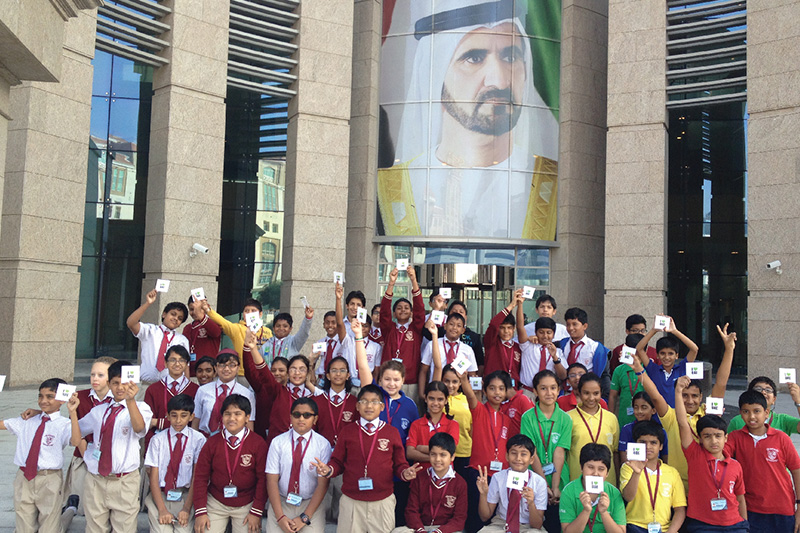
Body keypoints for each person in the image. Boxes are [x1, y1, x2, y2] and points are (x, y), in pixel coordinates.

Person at [377, 0, 559, 240]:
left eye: (510, 56)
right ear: (436, 77)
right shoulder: (393, 187)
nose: (499, 80)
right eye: (474, 58)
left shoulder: (554, 183)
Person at [311, 384, 423, 533]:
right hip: (352, 501)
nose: (369, 406)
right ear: (357, 406)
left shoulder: (391, 433)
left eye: (374, 402)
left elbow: (399, 464)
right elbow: (337, 461)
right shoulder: (347, 431)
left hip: (382, 502)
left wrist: (405, 473)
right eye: (364, 401)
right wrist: (329, 469)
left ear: (382, 407)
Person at [72, 360, 153, 533]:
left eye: (125, 383)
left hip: (124, 481)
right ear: (109, 384)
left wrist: (130, 401)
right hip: (96, 479)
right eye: (115, 383)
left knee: (124, 528)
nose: (120, 388)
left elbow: (139, 429)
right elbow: (75, 435)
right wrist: (72, 412)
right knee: (94, 527)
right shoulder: (99, 411)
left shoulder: (141, 408)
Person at [674, 376, 748, 533]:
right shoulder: (694, 454)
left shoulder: (735, 465)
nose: (713, 441)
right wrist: (678, 391)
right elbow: (682, 423)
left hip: (735, 525)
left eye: (718, 436)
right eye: (707, 436)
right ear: (700, 439)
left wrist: (744, 523)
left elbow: (740, 498)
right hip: (702, 524)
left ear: (726, 438)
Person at [1, 378, 74, 533]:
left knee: (50, 527)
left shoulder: (64, 425)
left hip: (49, 478)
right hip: (24, 477)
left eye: (49, 396)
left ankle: (70, 511)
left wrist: (72, 411)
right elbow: (3, 424)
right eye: (40, 396)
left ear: (62, 399)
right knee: (24, 526)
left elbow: (75, 440)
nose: (43, 401)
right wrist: (40, 412)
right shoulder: (27, 420)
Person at [723, 390, 800, 533]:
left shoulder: (781, 438)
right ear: (740, 413)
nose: (751, 416)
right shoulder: (734, 437)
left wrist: (799, 505)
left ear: (766, 413)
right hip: (750, 509)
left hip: (782, 509)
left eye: (756, 411)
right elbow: (718, 455)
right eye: (746, 411)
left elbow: (797, 470)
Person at [192, 394, 267, 533]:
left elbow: (263, 480)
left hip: (246, 503)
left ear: (247, 417)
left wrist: (256, 511)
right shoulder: (212, 442)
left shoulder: (258, 443)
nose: (232, 418)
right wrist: (200, 511)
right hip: (216, 502)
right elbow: (201, 477)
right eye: (227, 414)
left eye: (237, 414)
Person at [58, 356, 116, 525]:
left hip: (110, 459)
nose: (95, 379)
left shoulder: (119, 399)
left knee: (104, 505)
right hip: (83, 456)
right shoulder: (80, 397)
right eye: (92, 374)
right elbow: (75, 429)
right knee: (83, 506)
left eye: (100, 375)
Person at [265, 397, 331, 533]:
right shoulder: (277, 442)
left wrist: (305, 517)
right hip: (282, 502)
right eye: (297, 414)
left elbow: (323, 485)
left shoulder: (323, 444)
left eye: (307, 415)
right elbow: (271, 481)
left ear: (315, 419)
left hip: (311, 504)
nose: (301, 419)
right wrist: (280, 517)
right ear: (290, 417)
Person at [242, 330, 316, 450]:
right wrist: (253, 348)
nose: (297, 373)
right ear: (288, 372)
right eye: (293, 369)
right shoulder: (278, 391)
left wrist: (312, 362)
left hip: (305, 448)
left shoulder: (313, 396)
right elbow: (264, 373)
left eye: (302, 369)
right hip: (277, 447)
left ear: (307, 373)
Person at [143, 394, 206, 533]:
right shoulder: (157, 440)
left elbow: (197, 477)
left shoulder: (199, 440)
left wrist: (186, 509)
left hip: (186, 496)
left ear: (191, 417)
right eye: (174, 415)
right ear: (167, 416)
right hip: (161, 496)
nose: (178, 420)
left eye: (183, 416)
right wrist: (162, 510)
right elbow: (153, 476)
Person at [460, 369, 513, 532]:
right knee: (477, 518)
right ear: (484, 390)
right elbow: (470, 396)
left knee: (497, 518)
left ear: (506, 391)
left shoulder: (507, 419)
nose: (497, 392)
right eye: (492, 388)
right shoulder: (479, 410)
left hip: (501, 475)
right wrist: (464, 380)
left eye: (501, 388)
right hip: (479, 473)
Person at [520, 369, 572, 533]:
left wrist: (555, 487)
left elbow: (559, 452)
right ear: (535, 391)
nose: (549, 393)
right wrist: (544, 486)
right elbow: (531, 452)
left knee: (556, 524)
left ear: (559, 390)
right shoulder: (527, 417)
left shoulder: (565, 418)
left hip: (559, 479)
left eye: (553, 388)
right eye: (543, 388)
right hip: (534, 478)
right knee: (535, 524)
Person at [311, 355, 357, 524]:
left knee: (340, 496)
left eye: (342, 370)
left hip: (344, 459)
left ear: (348, 375)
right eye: (334, 370)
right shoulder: (316, 401)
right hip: (320, 457)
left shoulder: (355, 403)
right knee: (320, 496)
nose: (338, 374)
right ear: (328, 375)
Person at [392, 432, 468, 533]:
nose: (437, 459)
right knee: (397, 531)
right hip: (421, 527)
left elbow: (459, 519)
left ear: (452, 457)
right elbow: (411, 511)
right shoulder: (420, 478)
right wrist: (420, 530)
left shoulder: (460, 483)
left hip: (446, 529)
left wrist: (439, 531)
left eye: (443, 455)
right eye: (433, 454)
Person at [619, 420, 686, 533]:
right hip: (635, 526)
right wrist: (636, 473)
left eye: (653, 442)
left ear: (661, 446)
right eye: (642, 442)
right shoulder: (628, 467)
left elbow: (680, 510)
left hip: (664, 529)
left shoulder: (672, 472)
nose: (647, 446)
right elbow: (628, 497)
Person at [476, 434, 548, 533]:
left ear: (531, 459)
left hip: (528, 526)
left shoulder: (539, 482)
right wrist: (483, 494)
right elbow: (485, 517)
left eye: (523, 454)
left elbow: (537, 525)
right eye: (514, 453)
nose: (518, 458)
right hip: (501, 523)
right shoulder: (498, 478)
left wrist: (531, 503)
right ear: (507, 456)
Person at [380, 265, 426, 401]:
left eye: (406, 308)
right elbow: (384, 312)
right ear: (394, 313)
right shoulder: (389, 329)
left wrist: (414, 280)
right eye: (399, 308)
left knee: (410, 411)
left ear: (411, 313)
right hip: (389, 380)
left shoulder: (416, 329)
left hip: (410, 381)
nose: (403, 310)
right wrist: (391, 283)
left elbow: (420, 310)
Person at [126, 290, 190, 383]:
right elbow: (131, 323)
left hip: (171, 385)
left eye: (180, 318)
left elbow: (186, 365)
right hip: (147, 383)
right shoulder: (150, 330)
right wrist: (148, 303)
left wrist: (186, 386)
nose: (176, 318)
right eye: (173, 314)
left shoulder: (182, 340)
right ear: (164, 314)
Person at [559, 444, 626, 533]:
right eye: (590, 467)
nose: (595, 473)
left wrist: (604, 512)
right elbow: (567, 531)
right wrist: (586, 511)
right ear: (581, 468)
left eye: (601, 469)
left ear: (607, 473)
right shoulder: (568, 491)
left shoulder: (614, 493)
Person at [566, 373, 620, 484]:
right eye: (586, 393)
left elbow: (615, 452)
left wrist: (618, 480)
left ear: (601, 393)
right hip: (577, 480)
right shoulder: (568, 418)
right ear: (579, 393)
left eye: (596, 393)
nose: (591, 398)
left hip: (607, 482)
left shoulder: (611, 418)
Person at [635, 316, 698, 407]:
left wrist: (674, 331)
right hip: (656, 414)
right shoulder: (653, 369)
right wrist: (654, 330)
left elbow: (694, 349)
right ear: (657, 355)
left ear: (677, 356)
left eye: (671, 354)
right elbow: (639, 349)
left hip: (678, 414)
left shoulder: (682, 368)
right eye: (662, 353)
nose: (666, 357)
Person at [144, 345, 199, 450]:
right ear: (165, 363)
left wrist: (158, 422)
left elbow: (193, 421)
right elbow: (149, 423)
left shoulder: (195, 389)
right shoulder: (153, 389)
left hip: (186, 443)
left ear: (186, 364)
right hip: (159, 443)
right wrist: (148, 449)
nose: (177, 364)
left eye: (181, 360)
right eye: (173, 360)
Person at [201, 298, 272, 377]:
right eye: (246, 311)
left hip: (264, 373)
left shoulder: (267, 331)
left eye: (253, 311)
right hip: (244, 374)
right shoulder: (237, 329)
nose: (249, 313)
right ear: (243, 314)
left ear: (260, 314)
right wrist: (207, 310)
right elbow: (223, 322)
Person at [192, 351, 255, 436]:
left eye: (232, 365)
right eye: (222, 365)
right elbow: (196, 419)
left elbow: (249, 424)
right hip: (205, 438)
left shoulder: (246, 393)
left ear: (238, 368)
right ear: (216, 367)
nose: (226, 369)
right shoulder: (203, 390)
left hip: (233, 439)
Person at [334, 283, 381, 388]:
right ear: (347, 305)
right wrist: (338, 299)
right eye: (352, 304)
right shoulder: (347, 336)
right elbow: (339, 323)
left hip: (365, 381)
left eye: (358, 305)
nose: (355, 307)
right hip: (347, 378)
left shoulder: (372, 342)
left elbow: (376, 370)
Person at [559, 308, 611, 401]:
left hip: (587, 395)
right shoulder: (561, 344)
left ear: (585, 326)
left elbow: (604, 376)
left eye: (575, 324)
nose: (570, 328)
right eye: (568, 324)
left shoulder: (596, 348)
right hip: (565, 393)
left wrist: (604, 398)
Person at [406, 381, 460, 469]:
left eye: (440, 399)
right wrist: (436, 457)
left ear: (446, 400)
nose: (435, 403)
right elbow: (410, 453)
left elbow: (449, 451)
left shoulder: (453, 424)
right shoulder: (416, 424)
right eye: (431, 398)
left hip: (444, 474)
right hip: (421, 473)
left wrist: (420, 448)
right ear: (425, 398)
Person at [435, 363, 474, 480]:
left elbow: (472, 427)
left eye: (455, 382)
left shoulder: (467, 399)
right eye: (446, 381)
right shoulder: (437, 399)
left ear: (460, 382)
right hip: (441, 453)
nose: (450, 385)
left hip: (463, 452)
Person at [726, 376, 800, 435]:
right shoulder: (737, 421)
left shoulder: (782, 420)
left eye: (768, 390)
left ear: (774, 399)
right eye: (758, 389)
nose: (763, 392)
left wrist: (798, 402)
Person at [517, 314, 566, 400]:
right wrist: (519, 306)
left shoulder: (558, 351)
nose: (545, 336)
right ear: (536, 332)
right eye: (541, 332)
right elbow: (520, 327)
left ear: (553, 334)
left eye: (549, 332)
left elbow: (563, 376)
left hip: (548, 394)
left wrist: (555, 357)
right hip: (528, 393)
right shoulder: (528, 346)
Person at [419, 312, 477, 385]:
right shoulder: (432, 345)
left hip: (458, 389)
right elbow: (423, 371)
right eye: (451, 324)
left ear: (463, 330)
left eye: (458, 326)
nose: (454, 328)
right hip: (436, 388)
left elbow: (472, 375)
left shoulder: (468, 350)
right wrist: (421, 391)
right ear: (445, 326)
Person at [483, 290, 524, 388]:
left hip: (512, 390)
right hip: (493, 389)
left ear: (514, 328)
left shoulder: (518, 347)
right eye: (502, 328)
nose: (506, 331)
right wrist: (512, 305)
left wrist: (520, 305)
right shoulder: (492, 343)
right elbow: (493, 324)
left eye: (509, 328)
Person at [617, 392, 668, 464]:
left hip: (655, 470)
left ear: (653, 410)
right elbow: (624, 460)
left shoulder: (661, 431)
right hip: (631, 469)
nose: (639, 411)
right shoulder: (627, 429)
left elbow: (665, 458)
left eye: (644, 408)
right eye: (636, 407)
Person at [608, 334, 646, 427]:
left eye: (638, 352)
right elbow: (613, 396)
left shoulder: (649, 368)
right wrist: (611, 418)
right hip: (624, 419)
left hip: (645, 419)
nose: (635, 355)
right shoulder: (619, 370)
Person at [183, 296, 222, 376]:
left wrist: (201, 316)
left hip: (209, 373)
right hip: (190, 373)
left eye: (199, 309)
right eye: (192, 309)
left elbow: (216, 332)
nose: (195, 312)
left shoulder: (212, 323)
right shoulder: (187, 328)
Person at [447, 300, 485, 374]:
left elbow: (480, 362)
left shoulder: (474, 337)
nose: (458, 314)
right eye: (454, 312)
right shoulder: (440, 333)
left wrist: (476, 378)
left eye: (461, 312)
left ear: (466, 317)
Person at [314, 310, 344, 380]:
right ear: (323, 325)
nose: (330, 325)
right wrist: (312, 374)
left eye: (333, 323)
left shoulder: (343, 342)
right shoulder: (320, 343)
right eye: (327, 323)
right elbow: (313, 361)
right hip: (322, 379)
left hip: (337, 378)